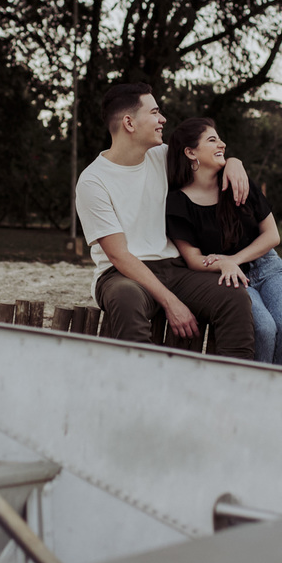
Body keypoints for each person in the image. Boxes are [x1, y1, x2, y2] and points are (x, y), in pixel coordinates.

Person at [75, 84, 255, 359]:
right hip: (122, 275)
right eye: (155, 112)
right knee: (126, 298)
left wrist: (234, 162)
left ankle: (231, 386)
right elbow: (119, 255)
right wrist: (171, 302)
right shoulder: (93, 181)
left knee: (233, 296)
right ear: (129, 123)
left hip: (175, 269)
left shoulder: (164, 156)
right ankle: (142, 392)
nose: (163, 120)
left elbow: (206, 158)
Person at [165, 118, 282, 367]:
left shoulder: (238, 181)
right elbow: (193, 259)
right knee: (262, 328)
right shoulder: (177, 202)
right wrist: (226, 266)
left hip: (269, 267)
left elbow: (273, 236)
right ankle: (254, 399)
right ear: (190, 152)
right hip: (230, 277)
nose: (222, 144)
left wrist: (233, 259)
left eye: (219, 138)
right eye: (212, 140)